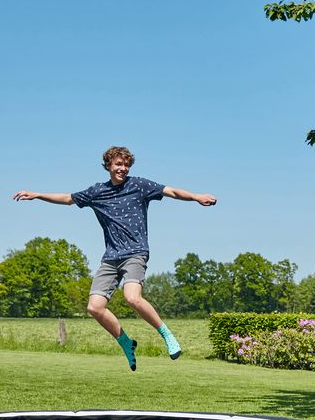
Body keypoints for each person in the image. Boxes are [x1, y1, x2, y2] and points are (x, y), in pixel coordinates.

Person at [13, 146, 217, 370]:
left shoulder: (140, 185)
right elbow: (68, 198)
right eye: (118, 164)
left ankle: (166, 334)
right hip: (111, 257)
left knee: (132, 297)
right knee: (94, 307)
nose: (123, 168)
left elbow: (172, 192)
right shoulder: (97, 192)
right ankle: (126, 343)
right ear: (108, 166)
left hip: (136, 252)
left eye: (126, 164)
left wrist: (196, 197)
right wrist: (37, 195)